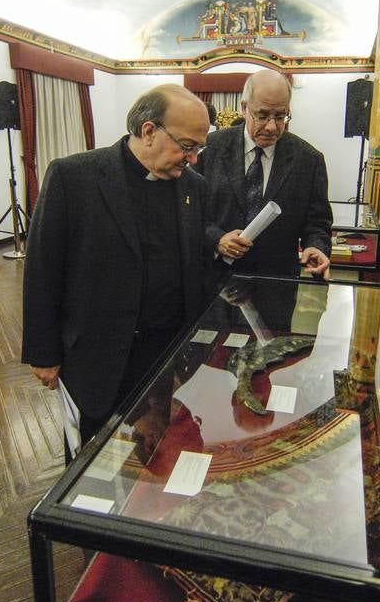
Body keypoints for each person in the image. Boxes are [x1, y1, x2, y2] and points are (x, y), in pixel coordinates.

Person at [21, 83, 210, 459]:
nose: (191, 158)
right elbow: (42, 270)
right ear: (149, 131)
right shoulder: (73, 178)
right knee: (93, 460)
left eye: (198, 149)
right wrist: (43, 353)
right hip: (97, 357)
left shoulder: (194, 187)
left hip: (165, 358)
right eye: (186, 146)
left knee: (156, 455)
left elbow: (193, 267)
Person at [196, 69, 332, 288]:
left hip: (277, 283)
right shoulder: (209, 149)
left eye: (280, 116)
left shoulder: (308, 160)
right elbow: (191, 213)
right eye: (262, 115)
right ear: (244, 108)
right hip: (215, 279)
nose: (271, 126)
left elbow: (317, 222)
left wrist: (316, 246)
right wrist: (217, 239)